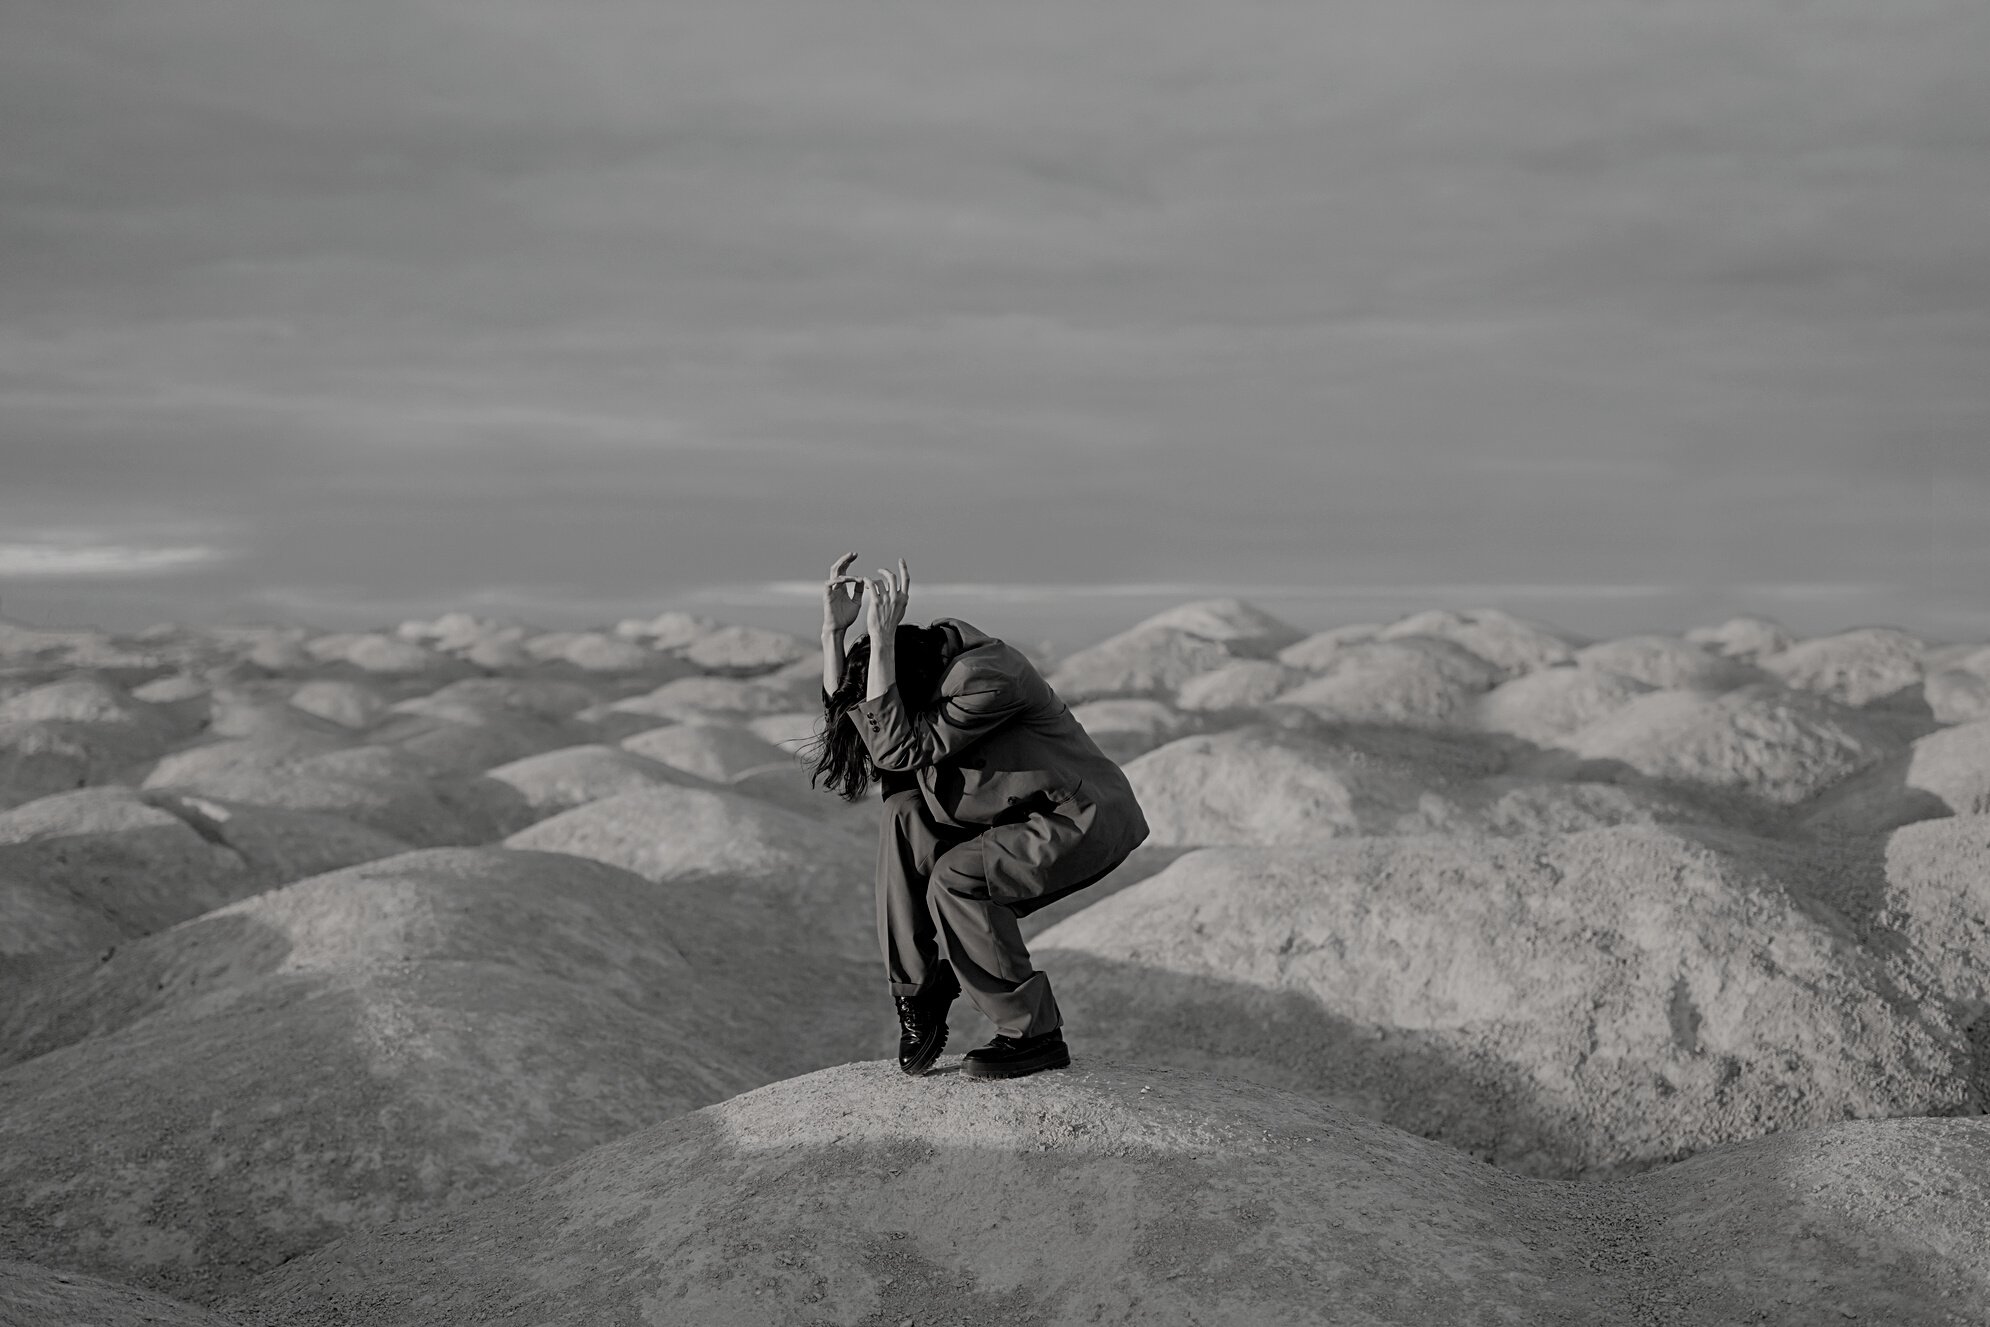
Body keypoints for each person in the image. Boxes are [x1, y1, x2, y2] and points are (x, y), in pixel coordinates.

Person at [809, 553, 1149, 1080]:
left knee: (958, 878)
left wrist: (882, 643)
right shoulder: (925, 673)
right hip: (1005, 813)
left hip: (1075, 819)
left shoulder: (988, 677)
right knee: (903, 812)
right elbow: (863, 737)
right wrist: (834, 634)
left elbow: (895, 750)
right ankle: (919, 993)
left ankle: (1032, 1033)